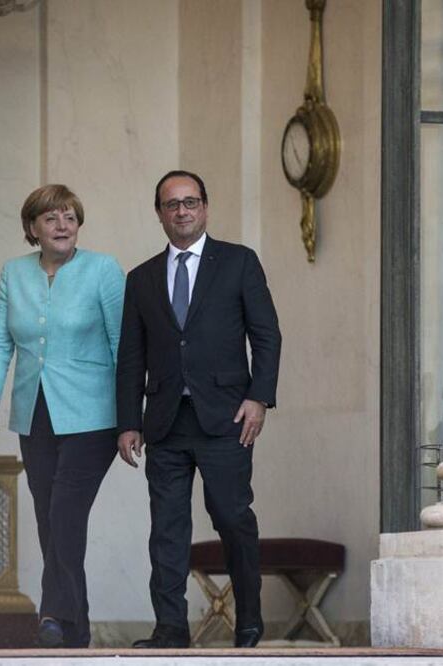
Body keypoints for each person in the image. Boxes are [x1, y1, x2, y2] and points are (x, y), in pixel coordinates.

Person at [116, 170, 281, 649]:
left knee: (231, 516)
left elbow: (266, 335)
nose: (182, 211)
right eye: (172, 204)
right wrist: (129, 421)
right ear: (160, 214)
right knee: (166, 528)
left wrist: (259, 397)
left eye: (190, 202)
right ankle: (170, 628)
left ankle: (248, 620)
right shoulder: (141, 278)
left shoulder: (238, 262)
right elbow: (131, 356)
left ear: (205, 208)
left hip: (227, 418)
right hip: (165, 421)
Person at [0, 184, 124, 649]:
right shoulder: (13, 273)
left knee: (64, 511)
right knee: (48, 516)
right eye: (51, 218)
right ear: (32, 228)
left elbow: (126, 344)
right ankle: (74, 626)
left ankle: (52, 614)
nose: (62, 225)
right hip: (34, 413)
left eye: (70, 217)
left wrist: (131, 418)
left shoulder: (103, 270)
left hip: (94, 414)